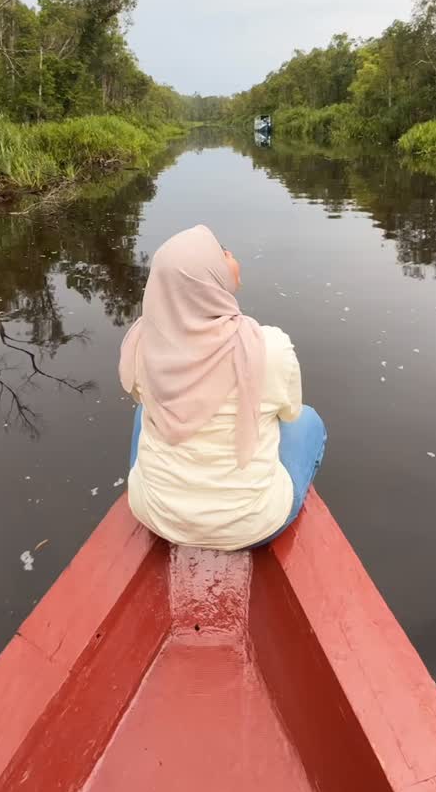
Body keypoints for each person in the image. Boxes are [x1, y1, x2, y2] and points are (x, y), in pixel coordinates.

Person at [119, 225, 326, 551]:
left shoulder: (143, 344)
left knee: (145, 410)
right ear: (209, 278)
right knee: (308, 421)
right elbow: (290, 414)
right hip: (252, 527)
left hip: (155, 516)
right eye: (221, 253)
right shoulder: (269, 348)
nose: (229, 254)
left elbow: (138, 394)